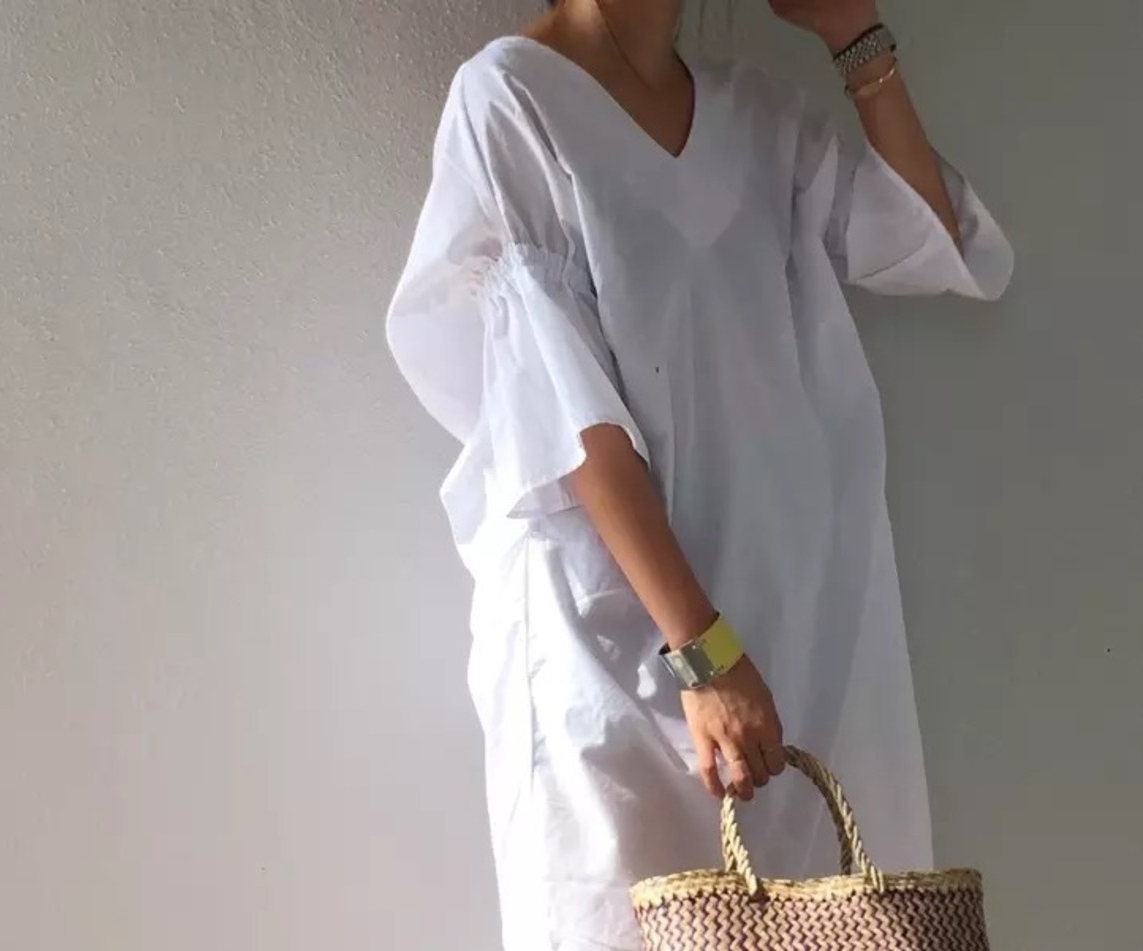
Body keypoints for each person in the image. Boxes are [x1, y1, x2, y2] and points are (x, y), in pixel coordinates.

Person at [386, 0, 1013, 949]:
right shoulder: (510, 97)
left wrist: (853, 32)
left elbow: (928, 239)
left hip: (788, 637)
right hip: (615, 648)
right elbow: (567, 414)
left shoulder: (755, 113)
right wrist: (704, 651)